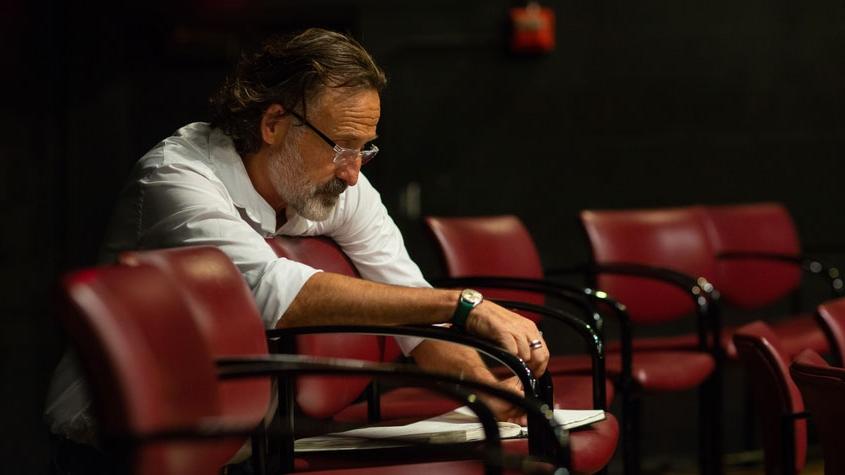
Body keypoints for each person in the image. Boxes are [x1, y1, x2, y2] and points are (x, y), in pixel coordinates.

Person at [45, 27, 548, 471]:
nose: (354, 171)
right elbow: (270, 295)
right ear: (274, 124)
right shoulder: (177, 178)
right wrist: (461, 304)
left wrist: (482, 387)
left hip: (246, 443)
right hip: (121, 445)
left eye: (365, 148)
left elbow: (403, 295)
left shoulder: (333, 183)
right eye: (343, 146)